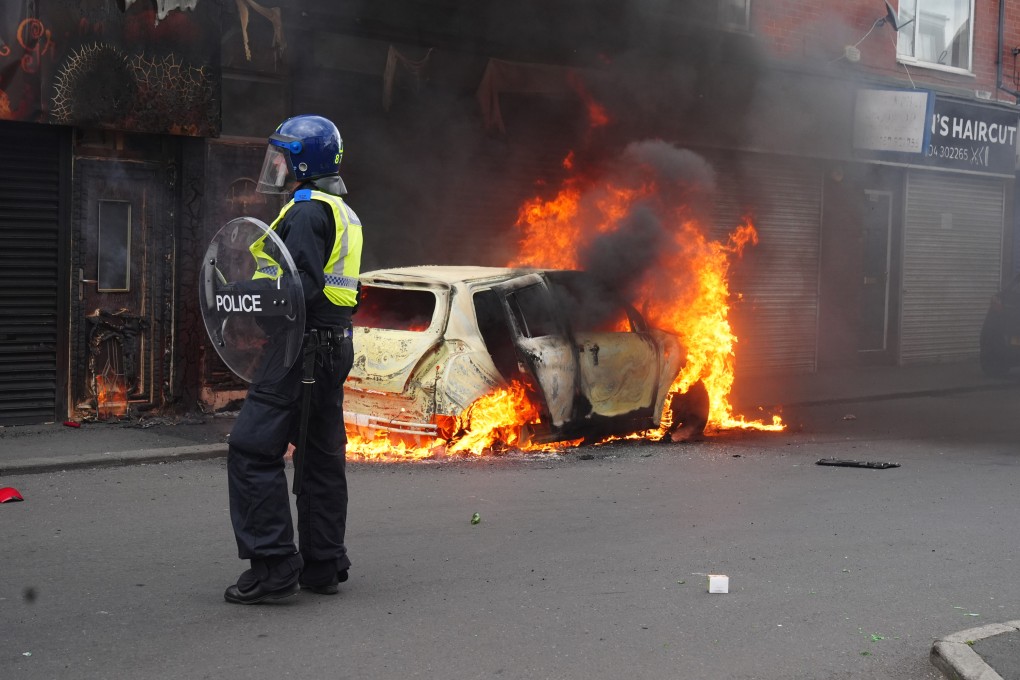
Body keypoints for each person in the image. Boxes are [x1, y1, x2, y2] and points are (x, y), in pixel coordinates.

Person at [223, 114, 363, 604]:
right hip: (332, 346)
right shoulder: (340, 209)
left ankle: (273, 567)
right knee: (321, 457)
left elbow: (300, 287)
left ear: (303, 161)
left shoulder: (304, 210)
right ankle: (323, 564)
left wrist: (242, 293)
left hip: (297, 349)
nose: (276, 163)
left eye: (282, 155)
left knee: (251, 449)